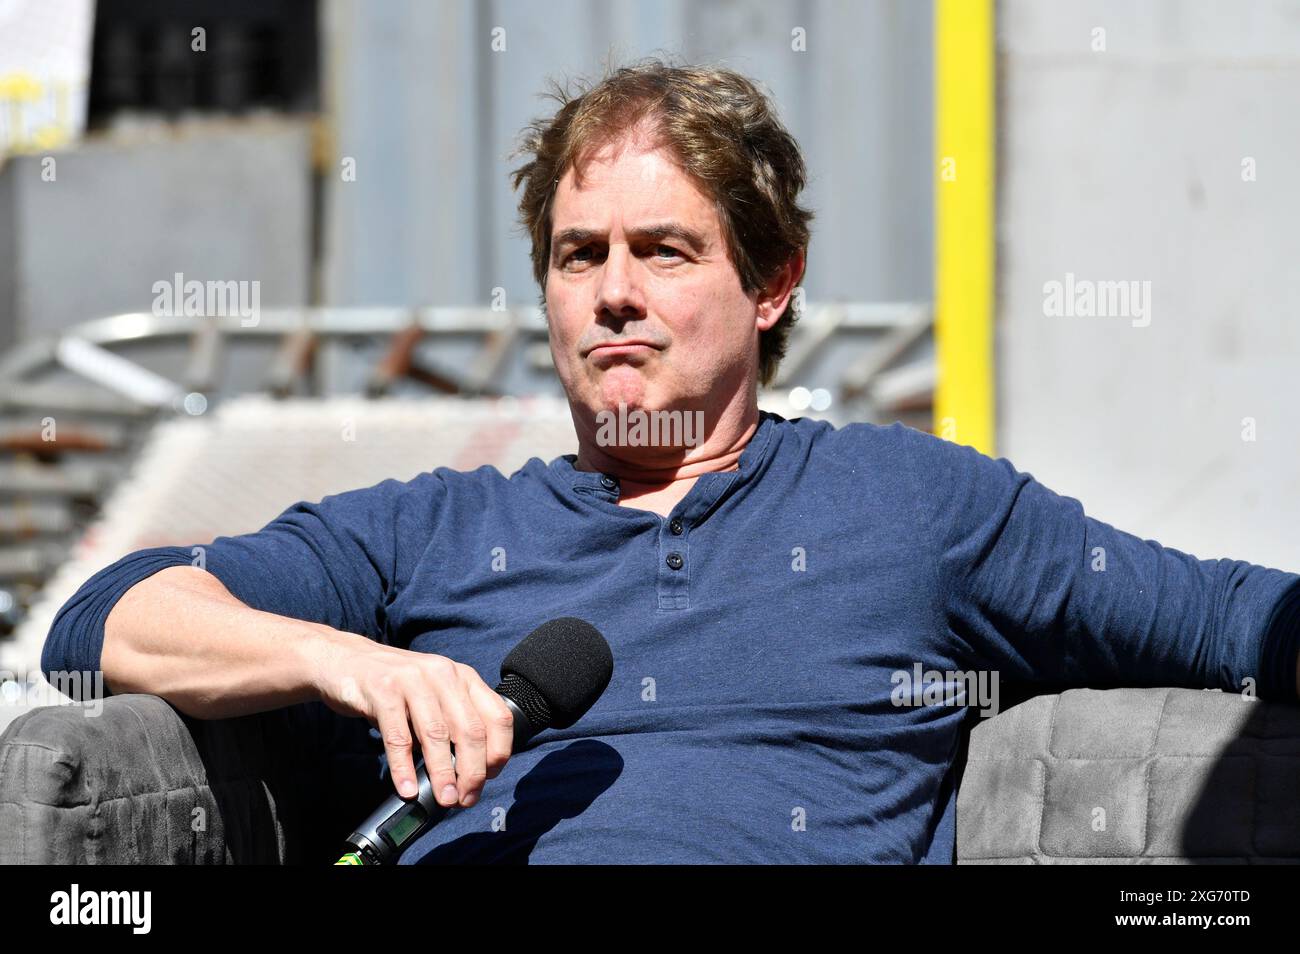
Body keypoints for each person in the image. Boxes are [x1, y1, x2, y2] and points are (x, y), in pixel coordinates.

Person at [41, 59, 1300, 864]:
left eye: (666, 251)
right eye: (579, 255)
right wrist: (350, 663)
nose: (615, 296)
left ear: (772, 283)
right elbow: (101, 624)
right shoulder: (430, 529)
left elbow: (1232, 618)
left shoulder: (914, 507)